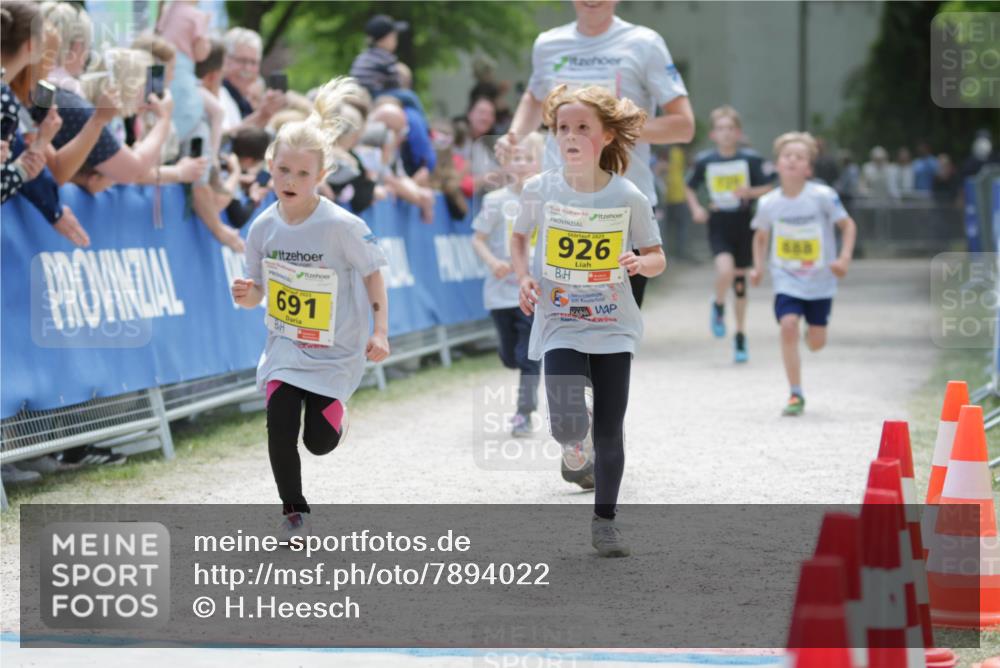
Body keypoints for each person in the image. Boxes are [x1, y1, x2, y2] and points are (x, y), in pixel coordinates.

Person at [231, 77, 390, 538]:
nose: (290, 181)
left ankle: (336, 414)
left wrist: (380, 330)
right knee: (279, 425)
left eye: (302, 174)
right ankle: (293, 512)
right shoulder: (263, 229)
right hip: (286, 346)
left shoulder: (342, 226)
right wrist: (247, 294)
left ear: (321, 175)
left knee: (318, 443)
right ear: (270, 166)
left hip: (336, 348)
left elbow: (373, 274)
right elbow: (257, 293)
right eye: (283, 170)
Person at [510, 84, 666, 557]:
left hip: (613, 325)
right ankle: (574, 447)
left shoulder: (627, 195)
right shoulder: (540, 190)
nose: (571, 136)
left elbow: (657, 256)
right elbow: (519, 238)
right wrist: (524, 277)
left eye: (582, 127)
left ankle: (605, 522)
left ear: (606, 136)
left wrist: (639, 263)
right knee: (565, 424)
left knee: (610, 429)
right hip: (561, 320)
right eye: (563, 128)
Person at [498, 0, 693, 309]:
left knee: (612, 323)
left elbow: (683, 126)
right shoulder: (548, 44)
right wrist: (514, 135)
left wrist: (609, 127)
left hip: (621, 203)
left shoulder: (645, 43)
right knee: (558, 317)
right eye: (566, 126)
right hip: (561, 202)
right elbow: (534, 98)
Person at [749, 132, 857, 417]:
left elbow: (848, 226)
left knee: (817, 344)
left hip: (820, 281)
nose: (792, 161)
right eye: (787, 156)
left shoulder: (823, 197)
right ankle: (795, 392)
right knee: (788, 326)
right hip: (787, 278)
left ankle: (813, 332)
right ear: (777, 164)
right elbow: (761, 236)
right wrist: (758, 267)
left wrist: (844, 258)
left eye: (800, 157)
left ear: (809, 168)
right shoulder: (769, 202)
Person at [685, 105, 773, 362]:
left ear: (738, 132)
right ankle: (719, 304)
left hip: (744, 223)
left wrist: (750, 192)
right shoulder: (706, 160)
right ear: (713, 134)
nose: (726, 133)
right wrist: (697, 208)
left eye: (730, 128)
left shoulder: (750, 159)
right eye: (721, 128)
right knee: (725, 270)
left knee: (740, 283)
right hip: (719, 223)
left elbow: (768, 186)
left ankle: (740, 336)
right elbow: (689, 187)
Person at [471, 133, 544, 440]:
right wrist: (493, 263)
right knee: (510, 356)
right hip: (501, 293)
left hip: (533, 292)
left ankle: (523, 414)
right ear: (506, 163)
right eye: (517, 158)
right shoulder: (495, 201)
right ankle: (518, 362)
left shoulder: (547, 200)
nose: (523, 164)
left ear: (540, 163)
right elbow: (478, 239)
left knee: (529, 357)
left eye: (529, 158)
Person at [349, 14, 408, 97]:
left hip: (360, 93)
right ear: (385, 39)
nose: (396, 40)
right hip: (377, 93)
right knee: (410, 96)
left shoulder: (362, 57)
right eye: (394, 37)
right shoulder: (385, 57)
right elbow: (395, 81)